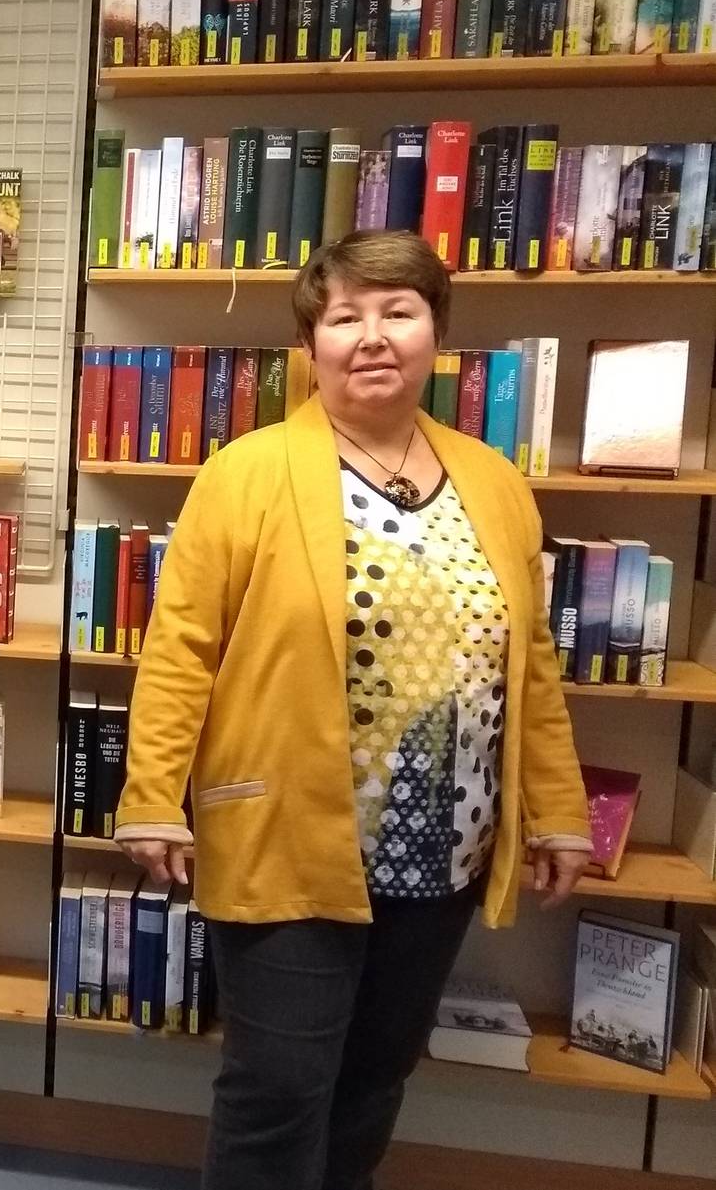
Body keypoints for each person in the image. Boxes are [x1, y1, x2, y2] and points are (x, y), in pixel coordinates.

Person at [114, 230, 592, 1190]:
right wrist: (152, 792)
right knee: (278, 1084)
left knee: (373, 1079)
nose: (372, 336)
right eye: (345, 317)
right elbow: (179, 650)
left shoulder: (494, 483)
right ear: (313, 343)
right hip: (288, 831)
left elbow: (528, 661)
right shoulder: (244, 473)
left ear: (436, 334)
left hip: (443, 846)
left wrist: (559, 810)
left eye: (398, 311)